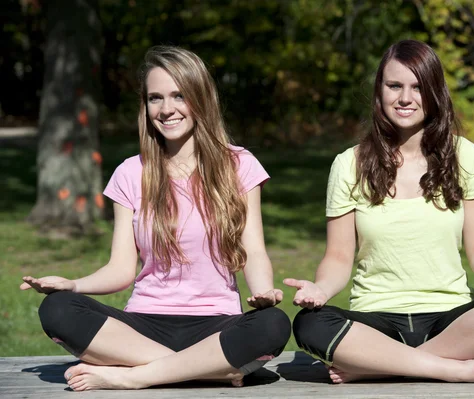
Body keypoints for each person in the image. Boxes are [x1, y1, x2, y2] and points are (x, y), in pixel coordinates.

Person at [20, 45, 291, 391]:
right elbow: (121, 269)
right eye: (155, 98)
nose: (166, 110)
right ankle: (205, 370)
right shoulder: (130, 173)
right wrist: (73, 285)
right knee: (56, 309)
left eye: (179, 96)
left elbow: (253, 249)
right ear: (145, 106)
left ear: (200, 98)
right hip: (142, 326)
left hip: (217, 325)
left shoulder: (239, 165)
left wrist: (264, 291)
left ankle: (135, 376)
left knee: (273, 325)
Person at [284, 39, 474, 386]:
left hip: (452, 321)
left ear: (434, 92)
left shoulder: (464, 155)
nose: (405, 98)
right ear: (379, 92)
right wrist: (320, 289)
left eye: (418, 87)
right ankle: (459, 369)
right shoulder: (348, 164)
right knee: (309, 324)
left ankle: (382, 366)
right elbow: (338, 256)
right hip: (375, 323)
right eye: (395, 86)